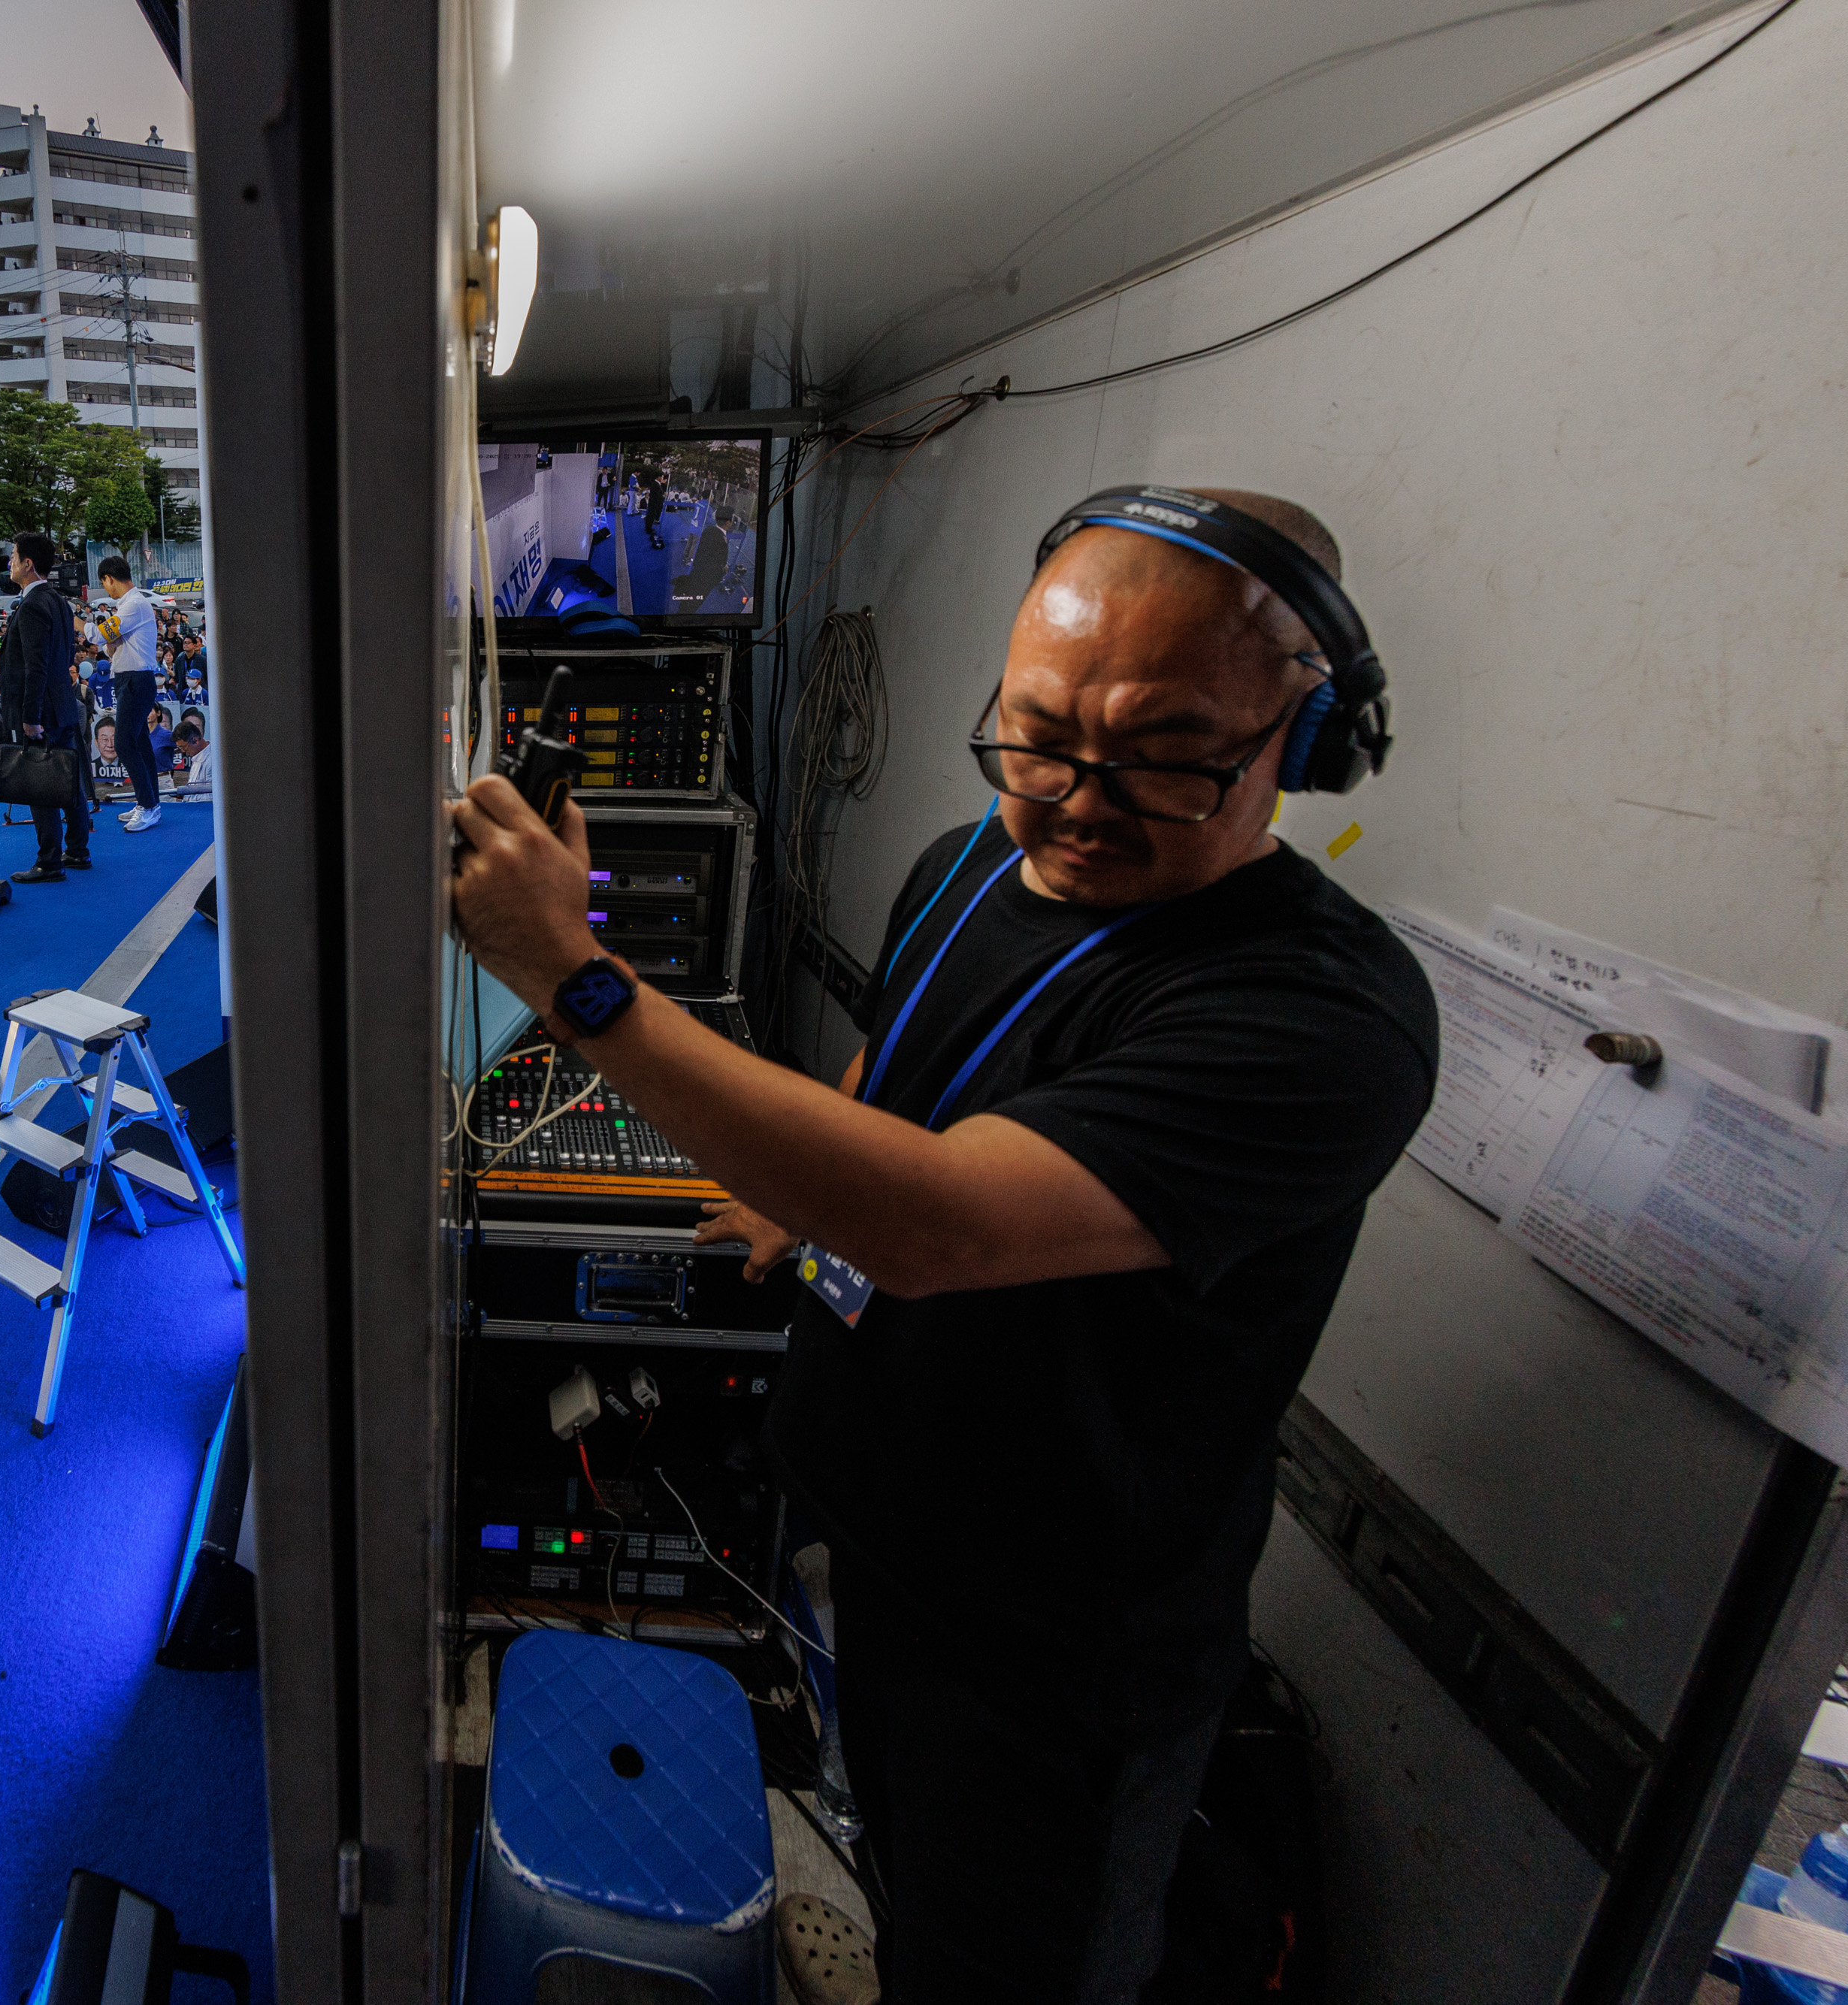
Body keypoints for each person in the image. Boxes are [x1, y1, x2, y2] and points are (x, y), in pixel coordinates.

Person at [448, 488, 1436, 2004]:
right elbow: (897, 1070)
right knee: (905, 1886)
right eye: (1036, 735)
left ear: (1302, 738)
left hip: (1056, 1657)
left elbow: (934, 1221)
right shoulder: (969, 859)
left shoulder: (1318, 1016)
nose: (1073, 801)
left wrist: (571, 975)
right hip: (887, 1561)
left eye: (1162, 755)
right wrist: (797, 1194)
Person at [0, 530, 89, 882]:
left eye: (13, 556)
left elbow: (35, 666)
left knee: (42, 784)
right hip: (60, 704)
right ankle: (77, 851)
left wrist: (30, 716)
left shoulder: (34, 604)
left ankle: (49, 862)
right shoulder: (58, 601)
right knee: (68, 778)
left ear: (28, 563)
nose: (9, 563)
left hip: (42, 710)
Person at [95, 555, 166, 833]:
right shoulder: (128, 606)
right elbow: (109, 645)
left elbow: (97, 636)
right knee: (139, 742)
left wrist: (76, 622)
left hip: (136, 680)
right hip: (129, 679)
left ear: (109, 578)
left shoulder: (135, 604)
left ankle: (148, 807)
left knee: (124, 744)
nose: (106, 589)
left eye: (104, 583)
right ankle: (149, 804)